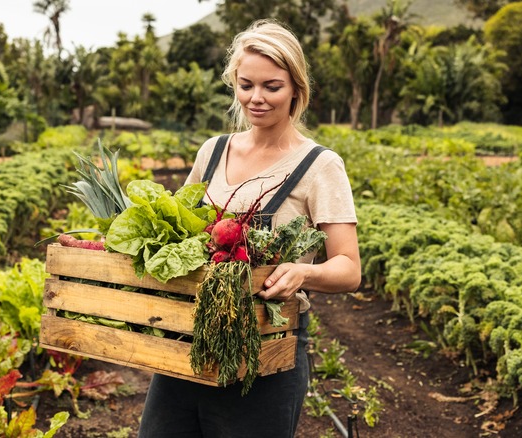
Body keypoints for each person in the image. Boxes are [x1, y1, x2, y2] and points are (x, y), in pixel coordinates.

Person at [138, 19, 361, 438]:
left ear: (296, 88)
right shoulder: (214, 150)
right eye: (246, 85)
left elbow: (349, 268)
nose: (256, 99)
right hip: (189, 338)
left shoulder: (319, 166)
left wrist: (304, 273)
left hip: (265, 350)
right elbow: (180, 234)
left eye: (272, 87)